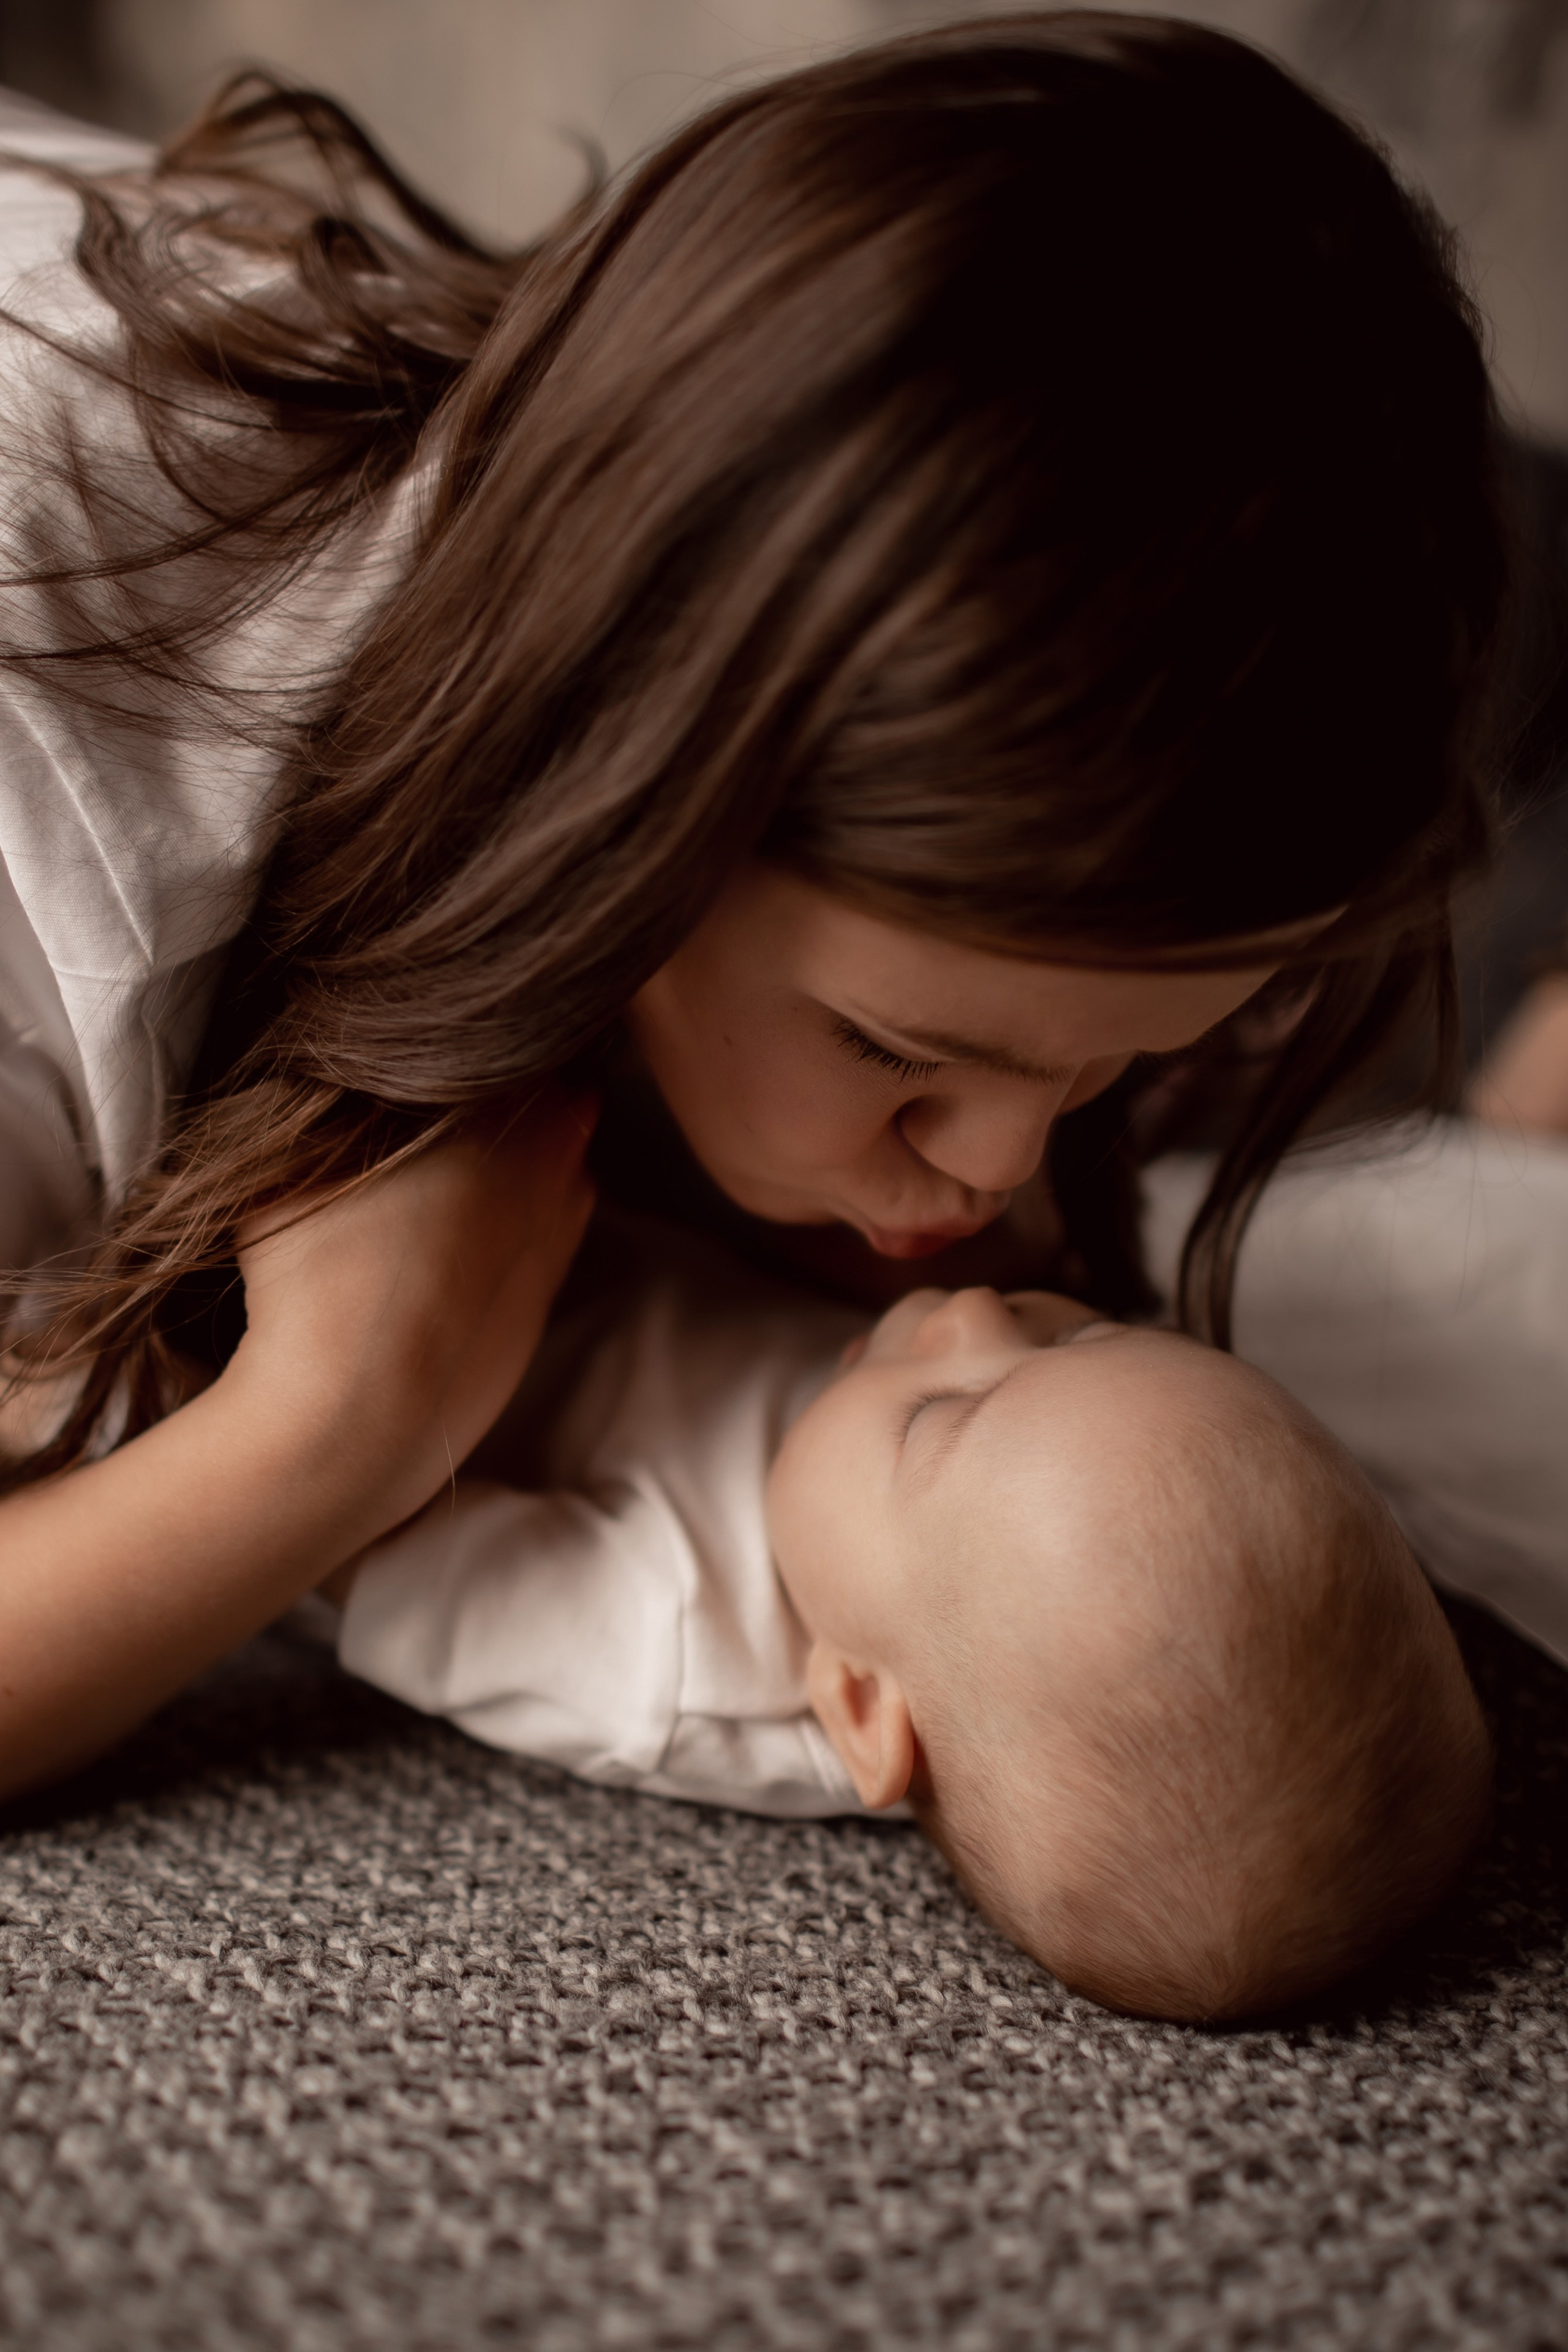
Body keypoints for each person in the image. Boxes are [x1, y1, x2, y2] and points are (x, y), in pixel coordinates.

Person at [0, 15, 1507, 1802]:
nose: (997, 1172)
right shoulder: (58, 842)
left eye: (1124, 1060)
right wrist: (328, 1435)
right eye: (894, 1048)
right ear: (618, 793)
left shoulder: (667, 526)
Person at [315, 1210, 1488, 2023]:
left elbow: (349, 1546)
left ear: (863, 1702)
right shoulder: (939, 1533)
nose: (979, 1311)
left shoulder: (669, 1650)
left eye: (935, 1419)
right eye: (1078, 1338)